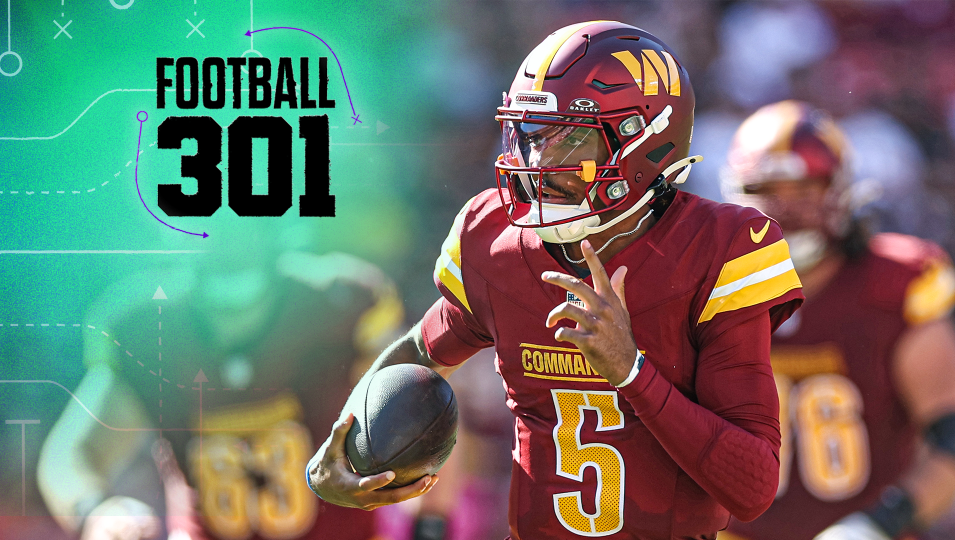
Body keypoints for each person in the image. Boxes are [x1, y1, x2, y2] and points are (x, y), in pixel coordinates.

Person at [307, 21, 805, 540]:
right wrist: (341, 450)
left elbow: (752, 488)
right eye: (533, 136)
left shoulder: (720, 248)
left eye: (570, 139)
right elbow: (419, 352)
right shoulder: (494, 239)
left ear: (644, 141)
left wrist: (631, 372)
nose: (540, 162)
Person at [36, 222, 405, 540]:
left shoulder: (340, 302)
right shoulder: (148, 330)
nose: (227, 231)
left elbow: (420, 410)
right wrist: (96, 511)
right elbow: (71, 454)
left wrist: (431, 519)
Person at [717, 101, 955, 540]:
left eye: (805, 191)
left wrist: (881, 523)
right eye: (769, 191)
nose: (786, 211)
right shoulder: (708, 289)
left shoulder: (894, 287)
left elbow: (949, 440)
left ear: (841, 191)